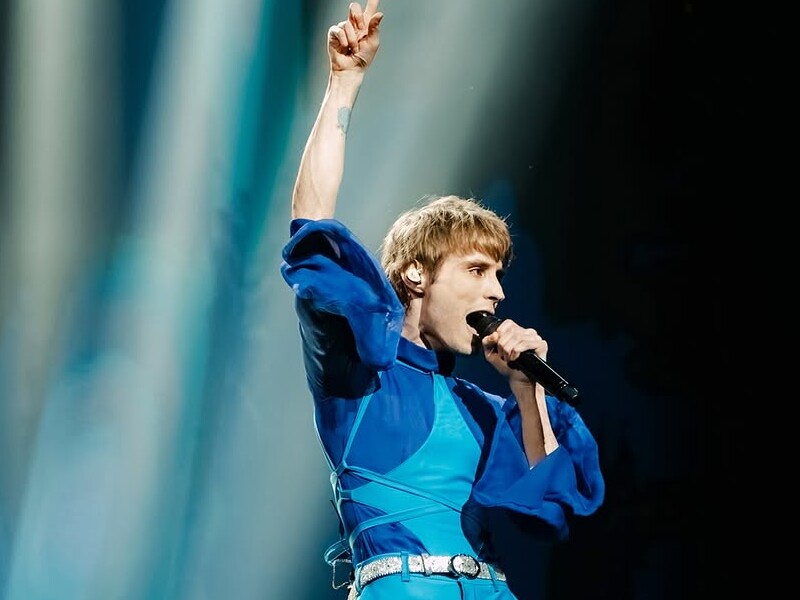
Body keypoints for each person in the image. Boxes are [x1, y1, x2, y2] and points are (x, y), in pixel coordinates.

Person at [280, 1, 604, 598]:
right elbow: (312, 232)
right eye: (476, 269)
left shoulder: (487, 409)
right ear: (415, 275)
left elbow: (548, 512)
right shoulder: (361, 373)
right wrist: (343, 84)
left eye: (499, 274)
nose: (496, 290)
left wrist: (527, 390)